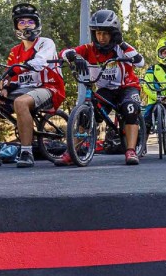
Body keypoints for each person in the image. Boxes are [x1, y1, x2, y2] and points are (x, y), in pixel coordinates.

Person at [0, 3, 66, 167]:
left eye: (30, 22)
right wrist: (5, 87)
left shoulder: (45, 43)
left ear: (37, 23)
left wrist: (14, 71)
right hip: (22, 90)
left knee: (21, 102)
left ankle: (26, 152)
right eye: (22, 22)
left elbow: (40, 62)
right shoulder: (15, 51)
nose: (26, 25)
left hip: (48, 87)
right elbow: (8, 74)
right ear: (16, 26)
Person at [60, 9, 145, 166]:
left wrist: (122, 43)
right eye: (98, 33)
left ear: (114, 34)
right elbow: (64, 53)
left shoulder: (121, 48)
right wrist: (74, 56)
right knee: (86, 115)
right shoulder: (88, 48)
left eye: (106, 33)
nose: (102, 37)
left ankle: (131, 150)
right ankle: (73, 152)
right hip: (106, 90)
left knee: (131, 109)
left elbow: (140, 62)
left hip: (127, 87)